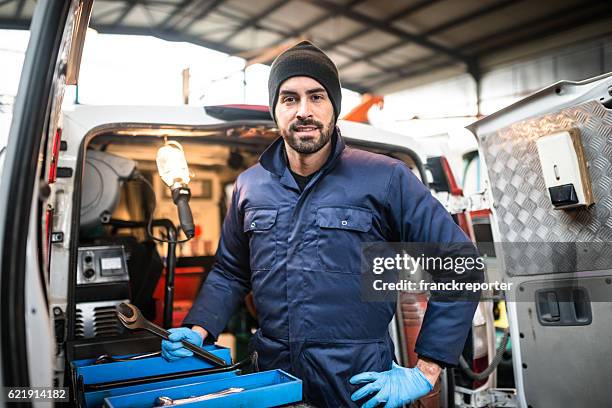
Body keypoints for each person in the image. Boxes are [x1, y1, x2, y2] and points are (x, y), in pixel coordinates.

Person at [161, 41, 483, 407]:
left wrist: (426, 370)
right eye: (289, 99)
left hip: (359, 386)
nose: (304, 111)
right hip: (272, 381)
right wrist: (197, 327)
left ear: (333, 107)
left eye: (316, 97)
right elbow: (231, 271)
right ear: (275, 110)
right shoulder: (249, 186)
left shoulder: (386, 179)